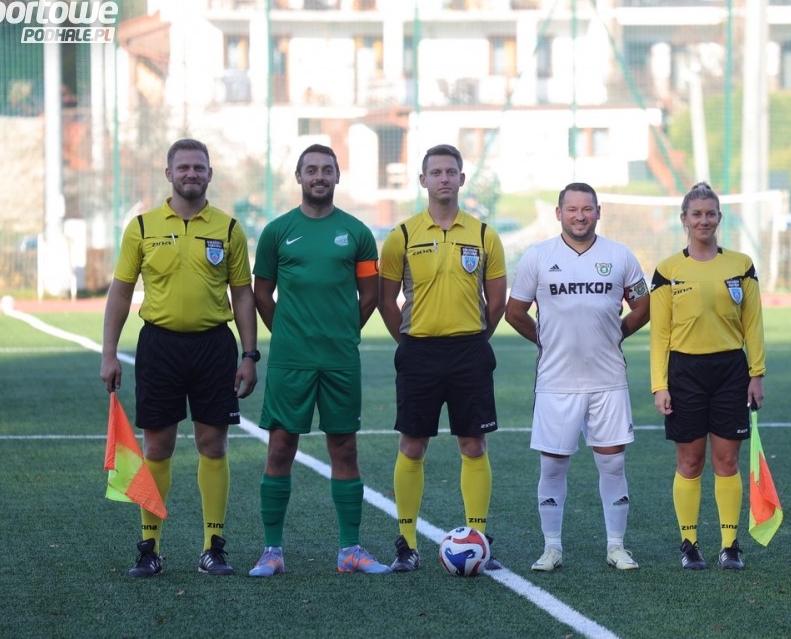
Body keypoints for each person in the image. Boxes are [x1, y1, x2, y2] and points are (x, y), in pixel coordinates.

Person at [100, 138, 259, 577]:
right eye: (184, 167)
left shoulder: (229, 228)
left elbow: (242, 295)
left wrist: (249, 354)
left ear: (210, 174)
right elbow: (121, 291)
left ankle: (213, 547)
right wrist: (109, 353)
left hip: (214, 347)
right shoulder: (142, 226)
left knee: (213, 445)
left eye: (199, 167)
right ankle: (149, 548)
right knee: (157, 446)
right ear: (169, 174)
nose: (192, 174)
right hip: (159, 347)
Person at [248, 144, 390, 576]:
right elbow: (261, 293)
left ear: (337, 177)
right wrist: (287, 333)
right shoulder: (277, 232)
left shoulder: (357, 233)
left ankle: (350, 550)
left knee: (344, 447)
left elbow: (370, 295)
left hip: (340, 359)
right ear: (298, 177)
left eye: (327, 169)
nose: (319, 176)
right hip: (290, 359)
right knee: (280, 447)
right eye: (311, 170)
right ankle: (272, 551)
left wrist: (344, 330)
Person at [505, 183, 650, 573]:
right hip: (557, 382)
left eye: (587, 209)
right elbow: (514, 312)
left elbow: (643, 305)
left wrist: (618, 332)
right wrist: (544, 339)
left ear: (599, 212)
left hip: (608, 381)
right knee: (553, 467)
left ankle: (616, 547)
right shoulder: (538, 257)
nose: (580, 216)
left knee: (613, 465)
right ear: (559, 214)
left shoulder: (620, 255)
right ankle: (551, 548)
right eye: (572, 209)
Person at [378, 144, 507, 572]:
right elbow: (385, 299)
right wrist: (407, 341)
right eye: (436, 172)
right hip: (419, 352)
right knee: (413, 445)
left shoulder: (484, 234)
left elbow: (497, 300)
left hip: (470, 351)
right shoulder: (402, 235)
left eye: (451, 172)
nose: (444, 179)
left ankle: (478, 539)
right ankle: (407, 543)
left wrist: (476, 338)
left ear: (462, 179)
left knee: (473, 444)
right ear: (423, 181)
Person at [649, 181, 766, 571]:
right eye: (696, 214)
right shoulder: (668, 270)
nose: (704, 220)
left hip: (731, 371)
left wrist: (757, 373)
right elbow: (660, 334)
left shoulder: (741, 265)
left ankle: (730, 546)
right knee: (690, 461)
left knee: (727, 461)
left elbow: (753, 324)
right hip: (684, 373)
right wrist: (660, 385)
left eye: (710, 214)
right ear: (684, 218)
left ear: (719, 217)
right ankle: (690, 544)